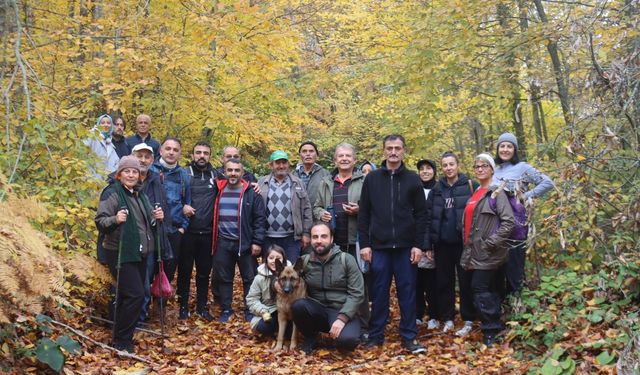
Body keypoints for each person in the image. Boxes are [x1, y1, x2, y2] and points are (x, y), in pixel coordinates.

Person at [358, 134, 427, 354]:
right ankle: (376, 335)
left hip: (406, 247)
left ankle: (409, 336)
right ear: (384, 150)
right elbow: (364, 214)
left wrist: (419, 245)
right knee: (378, 293)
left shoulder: (413, 179)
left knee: (407, 292)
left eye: (398, 148)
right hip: (379, 247)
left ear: (404, 150)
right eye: (390, 148)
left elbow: (422, 215)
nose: (393, 152)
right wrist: (365, 245)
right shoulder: (372, 179)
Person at [95, 156, 164, 353]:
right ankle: (122, 340)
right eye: (127, 171)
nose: (132, 175)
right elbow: (100, 221)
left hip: (140, 252)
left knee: (129, 295)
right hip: (120, 251)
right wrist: (116, 219)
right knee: (136, 295)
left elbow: (148, 221)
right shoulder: (112, 193)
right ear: (119, 174)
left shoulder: (138, 194)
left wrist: (157, 217)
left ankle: (123, 336)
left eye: (135, 172)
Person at [313, 143, 369, 337]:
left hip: (356, 241)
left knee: (358, 283)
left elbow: (372, 208)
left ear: (354, 159)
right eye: (340, 156)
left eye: (348, 156)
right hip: (332, 242)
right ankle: (332, 320)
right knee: (332, 281)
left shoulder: (364, 181)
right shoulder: (326, 181)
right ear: (335, 160)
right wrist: (322, 214)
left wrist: (359, 210)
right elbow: (316, 207)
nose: (344, 159)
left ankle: (363, 326)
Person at [460, 153, 515, 346]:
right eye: (477, 166)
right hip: (472, 251)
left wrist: (491, 243)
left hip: (488, 251)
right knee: (483, 288)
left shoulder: (497, 192)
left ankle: (491, 330)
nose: (480, 169)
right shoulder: (475, 192)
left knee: (479, 287)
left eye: (484, 166)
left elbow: (509, 222)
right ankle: (493, 324)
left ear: (492, 169)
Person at [492, 132, 554, 298]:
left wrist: (525, 196)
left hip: (515, 227)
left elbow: (548, 182)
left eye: (509, 146)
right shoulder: (495, 170)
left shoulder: (522, 167)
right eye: (502, 146)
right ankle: (503, 308)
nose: (505, 149)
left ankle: (518, 308)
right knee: (497, 271)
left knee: (514, 268)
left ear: (515, 149)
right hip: (496, 228)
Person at [292, 222, 365, 354]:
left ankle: (341, 333)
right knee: (298, 306)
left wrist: (342, 319)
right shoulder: (304, 261)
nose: (319, 241)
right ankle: (311, 336)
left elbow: (357, 293)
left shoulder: (346, 260)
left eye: (324, 236)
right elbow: (288, 276)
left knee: (348, 342)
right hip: (316, 310)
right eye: (315, 237)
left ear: (331, 239)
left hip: (342, 310)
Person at [425, 151, 477, 336]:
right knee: (444, 282)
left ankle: (468, 319)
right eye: (445, 165)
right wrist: (428, 245)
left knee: (466, 282)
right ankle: (448, 318)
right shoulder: (437, 190)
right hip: (442, 244)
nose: (448, 168)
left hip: (464, 244)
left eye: (451, 164)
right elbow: (429, 218)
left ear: (457, 165)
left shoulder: (470, 185)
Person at [212, 158, 266, 322]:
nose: (233, 173)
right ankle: (226, 309)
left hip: (245, 242)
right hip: (223, 242)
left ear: (243, 173)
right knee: (224, 277)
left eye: (237, 170)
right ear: (225, 171)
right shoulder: (218, 189)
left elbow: (259, 219)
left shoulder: (251, 192)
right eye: (230, 170)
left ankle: (250, 309)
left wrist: (257, 242)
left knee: (249, 278)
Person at [130, 143, 173, 323]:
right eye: (140, 156)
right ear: (132, 156)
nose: (143, 160)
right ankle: (128, 319)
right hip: (129, 239)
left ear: (152, 160)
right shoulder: (124, 179)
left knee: (146, 280)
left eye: (147, 157)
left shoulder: (156, 181)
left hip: (150, 239)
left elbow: (164, 207)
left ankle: (140, 318)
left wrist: (161, 215)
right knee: (131, 283)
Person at [177, 141, 216, 320]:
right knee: (184, 271)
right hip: (187, 233)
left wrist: (255, 185)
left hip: (207, 234)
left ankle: (202, 306)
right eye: (198, 152)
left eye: (205, 153)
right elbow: (172, 198)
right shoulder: (184, 174)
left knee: (203, 273)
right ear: (192, 155)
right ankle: (183, 306)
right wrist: (183, 206)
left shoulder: (216, 175)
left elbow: (237, 180)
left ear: (209, 156)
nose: (202, 156)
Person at [257, 150, 312, 263]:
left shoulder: (298, 183)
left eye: (284, 162)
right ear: (271, 165)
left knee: (291, 271)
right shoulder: (262, 183)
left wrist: (306, 233)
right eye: (277, 163)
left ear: (288, 164)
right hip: (268, 238)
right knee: (270, 271)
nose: (281, 166)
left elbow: (306, 209)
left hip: (292, 238)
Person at [151, 138, 191, 286]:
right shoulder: (151, 170)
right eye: (168, 149)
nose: (171, 152)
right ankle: (145, 306)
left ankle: (159, 303)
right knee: (150, 269)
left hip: (174, 230)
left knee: (168, 270)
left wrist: (182, 228)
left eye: (175, 150)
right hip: (153, 228)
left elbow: (188, 203)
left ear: (179, 153)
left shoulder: (183, 175)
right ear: (161, 151)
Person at [246, 245, 290, 337]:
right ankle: (276, 331)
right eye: (271, 258)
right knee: (264, 327)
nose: (274, 261)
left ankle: (284, 331)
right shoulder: (259, 278)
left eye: (278, 258)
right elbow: (251, 299)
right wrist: (263, 311)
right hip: (269, 310)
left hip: (287, 310)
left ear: (284, 259)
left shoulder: (291, 275)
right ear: (266, 260)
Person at [415, 159, 438, 328]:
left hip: (433, 243)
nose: (425, 171)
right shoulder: (414, 189)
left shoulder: (439, 189)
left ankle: (434, 315)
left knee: (432, 282)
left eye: (428, 168)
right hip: (414, 242)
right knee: (415, 281)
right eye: (422, 169)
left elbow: (433, 219)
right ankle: (417, 313)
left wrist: (428, 244)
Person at [295, 141, 330, 206]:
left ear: (316, 154)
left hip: (318, 215)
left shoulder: (326, 175)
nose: (308, 154)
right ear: (300, 155)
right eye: (304, 151)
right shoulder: (293, 175)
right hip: (297, 214)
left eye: (311, 151)